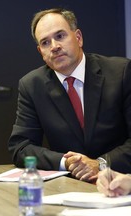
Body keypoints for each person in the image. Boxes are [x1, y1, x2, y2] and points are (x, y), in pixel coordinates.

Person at [8, 8, 131, 182]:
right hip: (69, 185)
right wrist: (66, 162)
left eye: (60, 36)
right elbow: (21, 147)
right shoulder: (32, 85)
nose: (55, 47)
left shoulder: (121, 72)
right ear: (41, 52)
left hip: (120, 180)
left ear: (78, 38)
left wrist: (101, 163)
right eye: (45, 42)